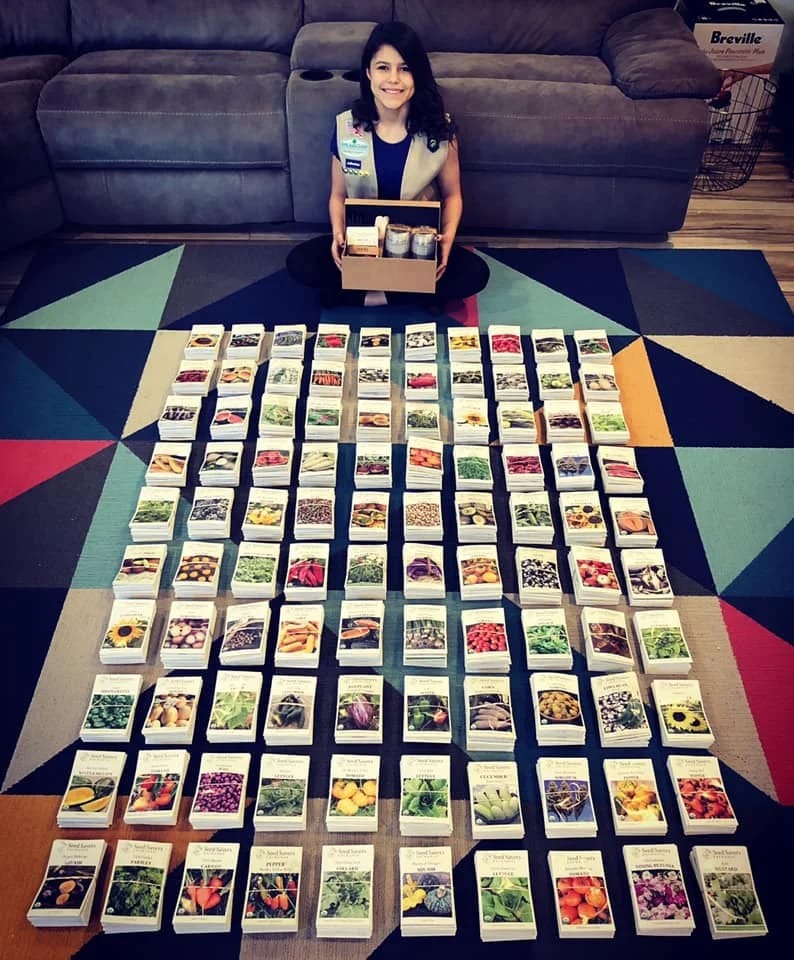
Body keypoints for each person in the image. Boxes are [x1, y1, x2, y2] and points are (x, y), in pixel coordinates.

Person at [286, 20, 489, 310]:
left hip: (417, 249)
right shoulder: (347, 127)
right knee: (300, 263)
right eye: (383, 67)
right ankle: (407, 294)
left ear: (417, 75)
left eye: (404, 68)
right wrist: (338, 235)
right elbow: (338, 195)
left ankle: (367, 296)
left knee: (474, 274)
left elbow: (453, 195)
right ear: (368, 73)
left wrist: (446, 241)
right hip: (362, 246)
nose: (394, 79)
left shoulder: (440, 130)